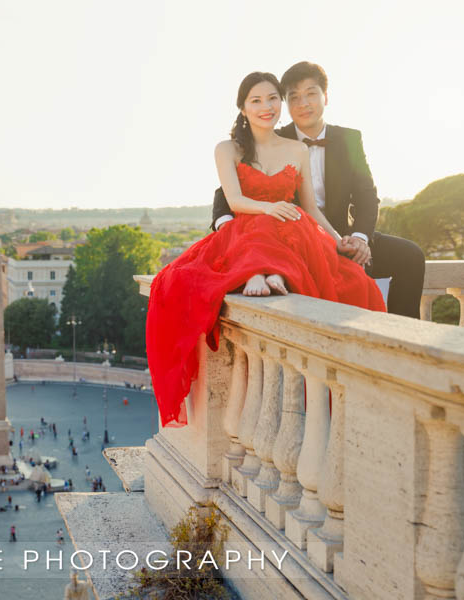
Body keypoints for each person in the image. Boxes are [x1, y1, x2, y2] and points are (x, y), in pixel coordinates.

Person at [147, 70, 385, 426]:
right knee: (256, 228)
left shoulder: (297, 149)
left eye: (273, 98)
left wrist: (340, 242)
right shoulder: (228, 149)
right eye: (256, 100)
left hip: (292, 228)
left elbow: (311, 208)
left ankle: (272, 273)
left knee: (355, 282)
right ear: (243, 107)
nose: (267, 106)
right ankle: (259, 272)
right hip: (248, 225)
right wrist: (270, 207)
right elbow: (234, 200)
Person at [212, 61, 425, 318]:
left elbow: (367, 196)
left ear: (326, 96)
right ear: (286, 104)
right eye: (294, 97)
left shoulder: (349, 140)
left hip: (340, 235)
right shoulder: (267, 136)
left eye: (311, 94)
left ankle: (405, 340)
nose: (303, 104)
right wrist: (229, 231)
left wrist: (358, 239)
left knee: (410, 257)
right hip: (288, 238)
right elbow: (227, 193)